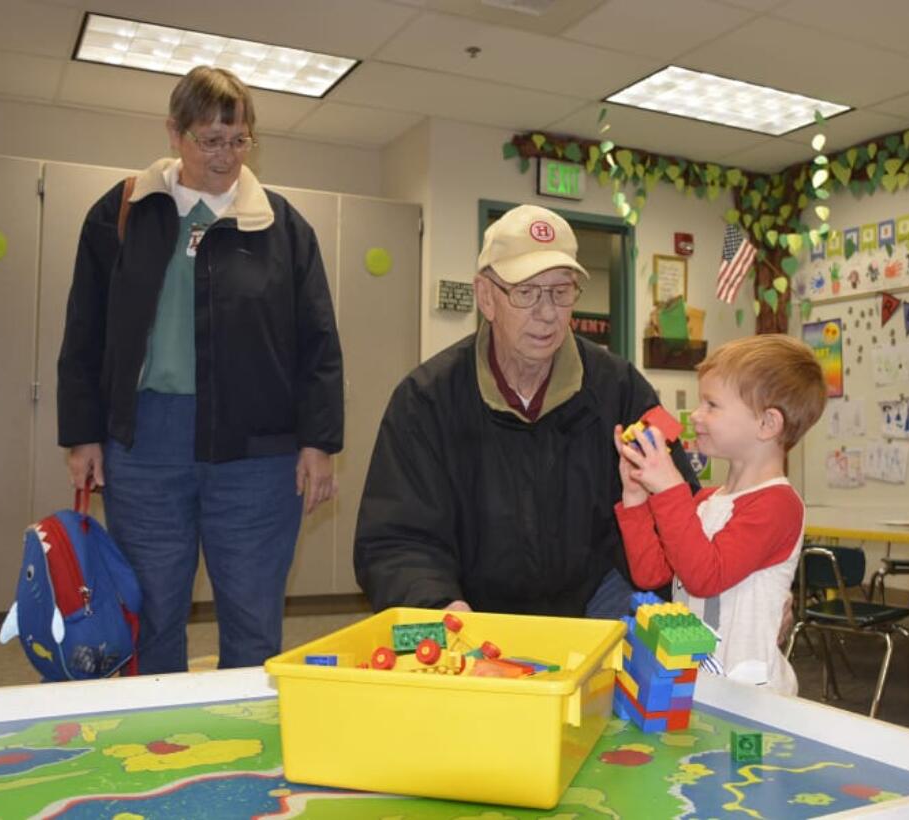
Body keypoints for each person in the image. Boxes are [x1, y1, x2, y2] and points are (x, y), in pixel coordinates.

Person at [57, 66, 343, 673]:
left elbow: (318, 343)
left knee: (252, 615)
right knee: (154, 613)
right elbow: (85, 331)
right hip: (147, 446)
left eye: (239, 140)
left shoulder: (283, 227)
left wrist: (319, 442)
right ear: (174, 133)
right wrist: (82, 433)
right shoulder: (123, 212)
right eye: (210, 140)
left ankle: (249, 757)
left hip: (258, 453)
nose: (226, 156)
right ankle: (161, 750)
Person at [354, 204, 700, 618]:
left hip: (598, 601)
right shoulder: (426, 401)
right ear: (487, 297)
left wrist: (743, 578)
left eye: (561, 290)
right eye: (526, 292)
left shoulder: (620, 390)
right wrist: (440, 605)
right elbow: (396, 540)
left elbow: (681, 508)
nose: (548, 312)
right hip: (473, 611)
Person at [613, 334, 827, 694]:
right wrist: (635, 499)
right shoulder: (707, 501)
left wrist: (670, 490)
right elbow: (653, 574)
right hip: (696, 677)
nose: (696, 415)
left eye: (712, 405)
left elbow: (705, 577)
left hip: (747, 687)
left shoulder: (778, 504)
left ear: (766, 424)